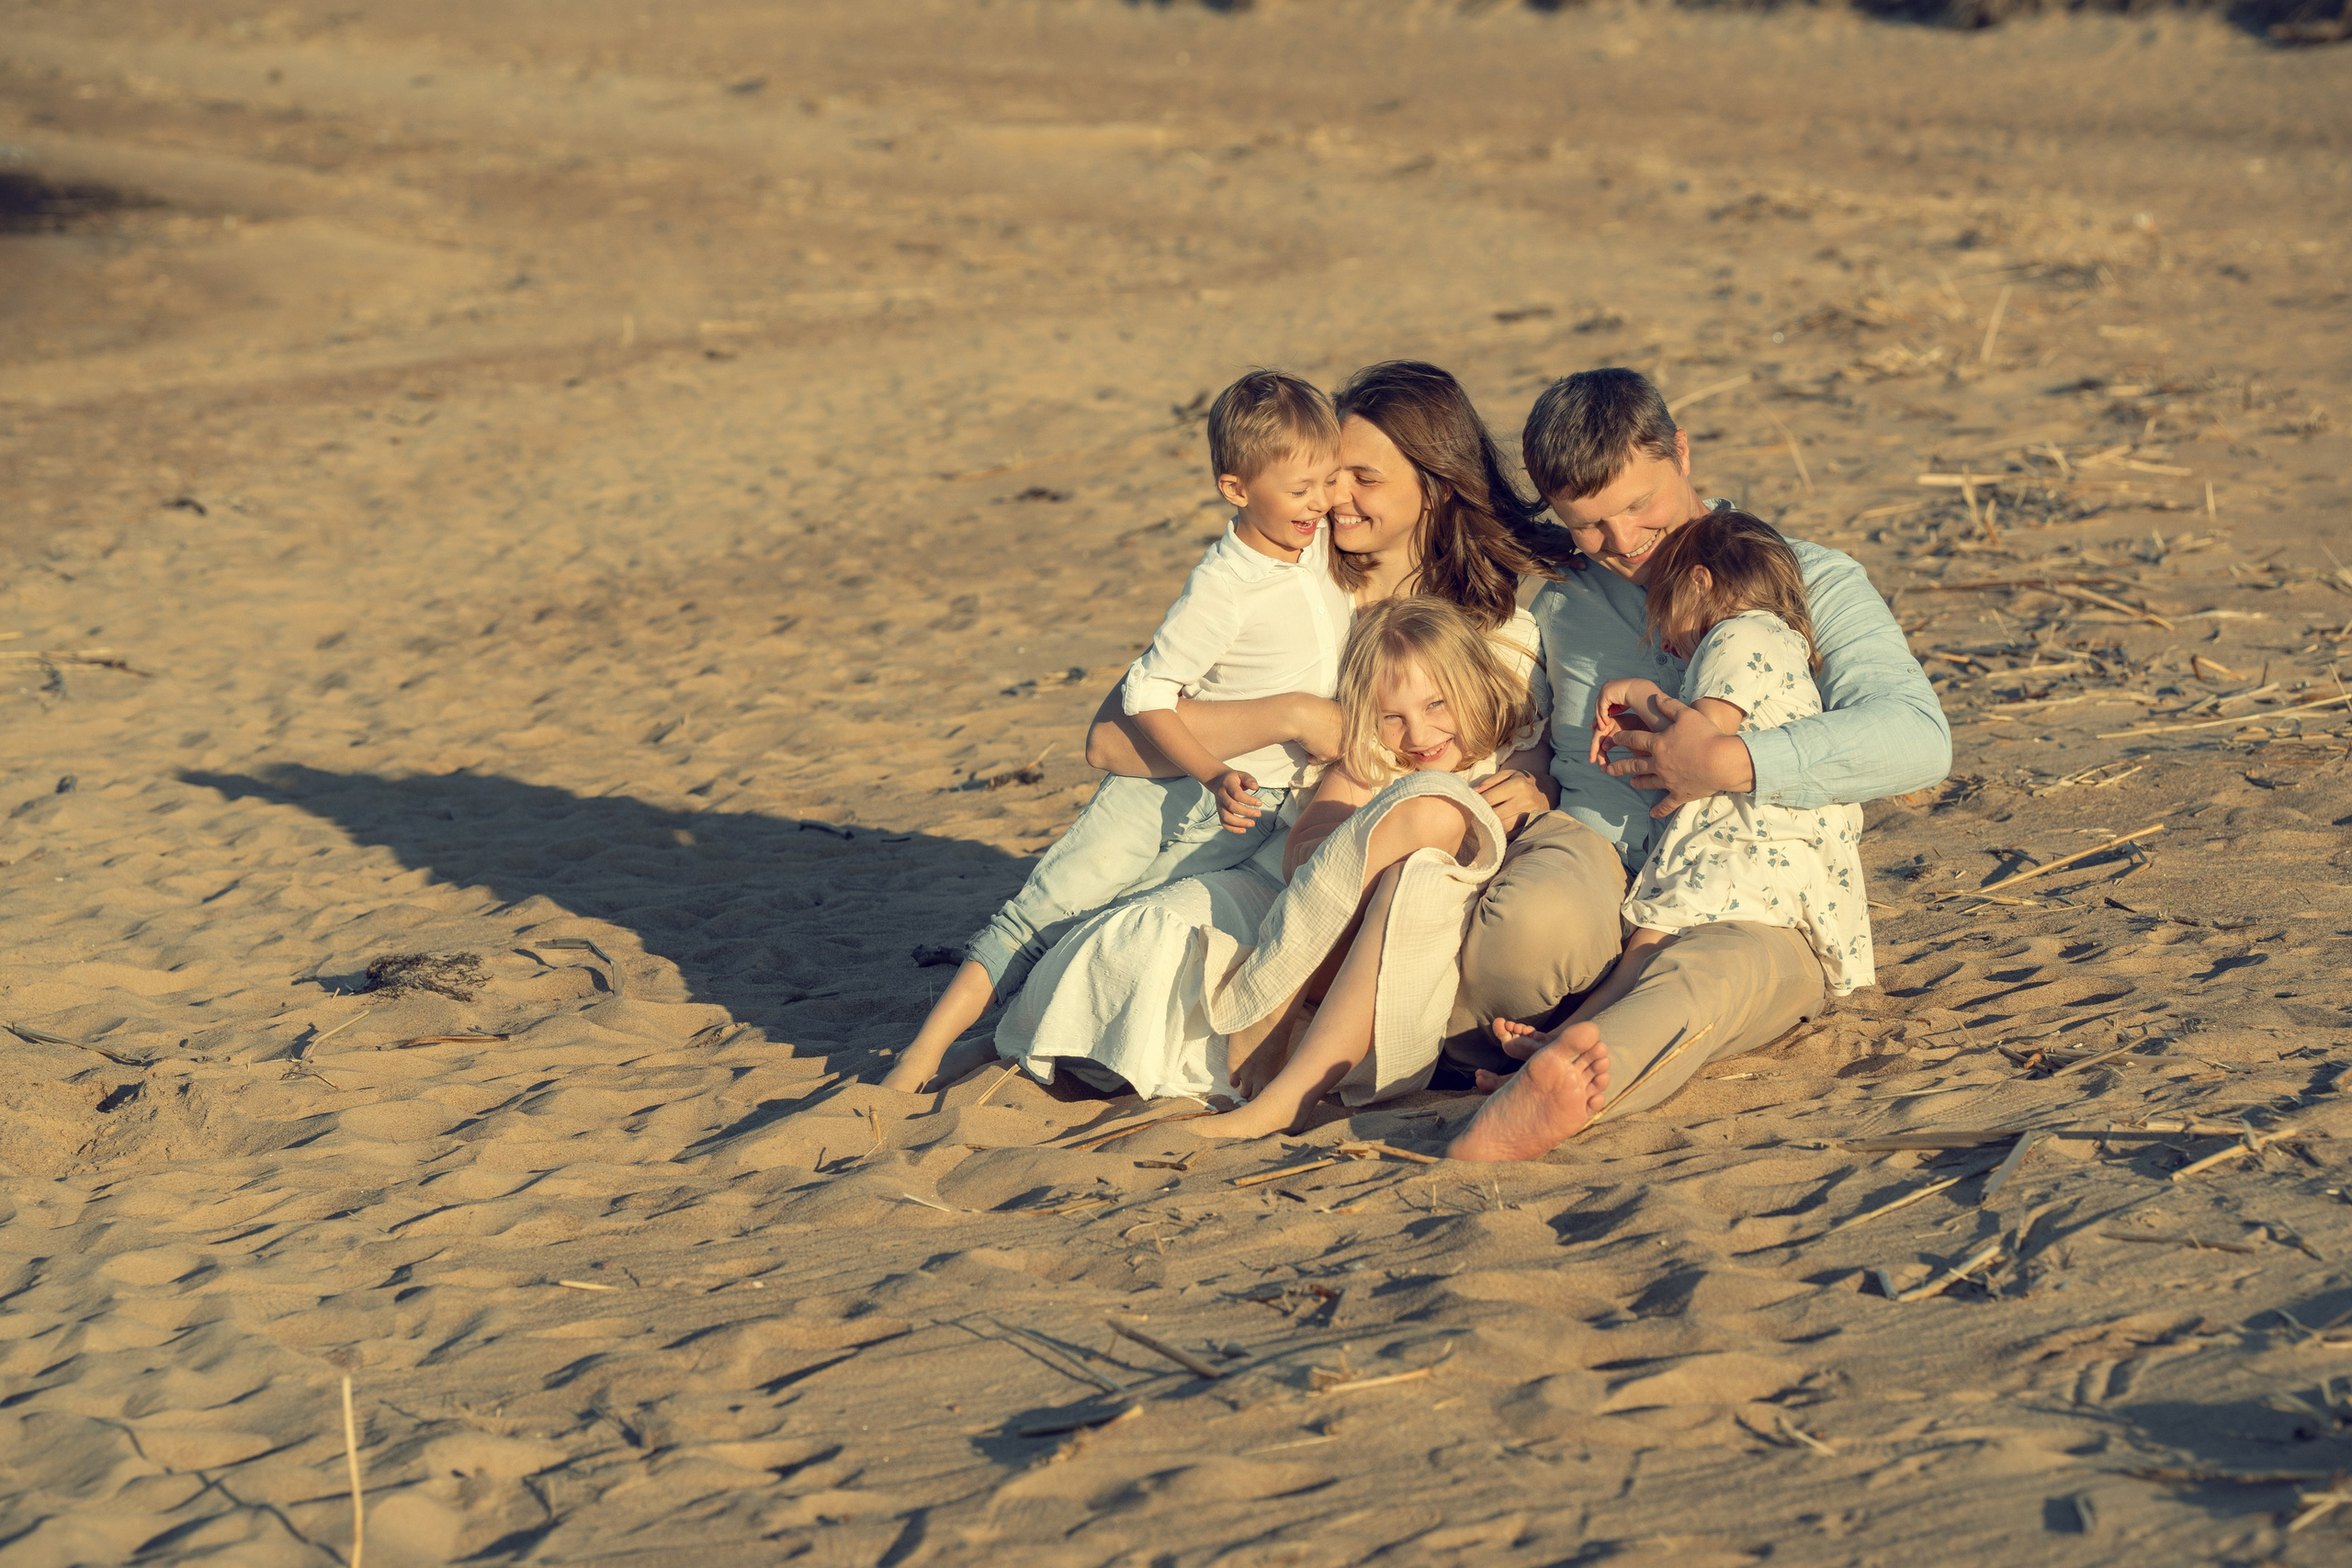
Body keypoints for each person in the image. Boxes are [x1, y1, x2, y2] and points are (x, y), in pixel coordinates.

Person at [998, 362, 1566, 1109]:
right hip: (1271, 849)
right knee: (1150, 936)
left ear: (1434, 484)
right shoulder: (1288, 575)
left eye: (1362, 477)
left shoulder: (1496, 630)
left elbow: (1529, 767)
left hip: (1393, 888)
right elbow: (1110, 740)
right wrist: (1294, 713)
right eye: (1329, 476)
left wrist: (1535, 783)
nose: (1335, 496)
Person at [1446, 368, 1949, 1161]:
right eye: (1589, 524)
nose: (1622, 542)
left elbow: (1919, 736)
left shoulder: (1801, 578)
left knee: (1711, 976)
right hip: (1600, 872)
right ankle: (1507, 1051)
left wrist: (1732, 761)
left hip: (1750, 894)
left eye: (1639, 504)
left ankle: (1555, 1086)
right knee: (1516, 941)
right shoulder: (1563, 598)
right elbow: (1524, 715)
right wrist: (1535, 772)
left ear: (1681, 450)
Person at [883, 369, 1353, 1093]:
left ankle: (997, 1042)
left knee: (1109, 919)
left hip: (1251, 811)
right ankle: (920, 1054)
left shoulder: (1316, 549)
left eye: (1325, 482)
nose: (1319, 503)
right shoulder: (1223, 585)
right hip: (1167, 791)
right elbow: (1148, 692)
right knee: (1044, 909)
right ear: (1236, 490)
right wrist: (1209, 773)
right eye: (1301, 490)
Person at [1478, 509, 1876, 1113]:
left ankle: (1565, 1042)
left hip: (1752, 834)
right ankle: (1563, 1040)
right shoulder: (1776, 640)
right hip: (1771, 830)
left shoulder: (1737, 635)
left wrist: (1634, 691)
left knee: (1649, 944)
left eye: (1667, 610)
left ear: (1700, 583)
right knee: (1648, 944)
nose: (1666, 637)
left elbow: (1704, 739)